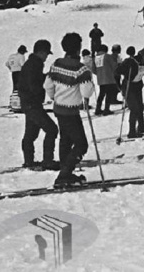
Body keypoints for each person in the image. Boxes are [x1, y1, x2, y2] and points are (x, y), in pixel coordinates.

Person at [44, 33, 96, 187]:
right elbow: (86, 92)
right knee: (81, 144)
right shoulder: (81, 69)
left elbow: (48, 85)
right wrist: (89, 87)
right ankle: (64, 174)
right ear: (79, 48)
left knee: (65, 140)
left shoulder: (56, 64)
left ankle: (66, 172)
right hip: (71, 111)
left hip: (58, 109)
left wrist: (54, 97)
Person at [19, 39, 59, 171]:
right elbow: (33, 85)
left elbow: (34, 80)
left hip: (29, 103)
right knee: (51, 129)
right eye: (46, 54)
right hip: (32, 104)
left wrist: (45, 76)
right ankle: (47, 161)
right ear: (41, 52)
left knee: (31, 134)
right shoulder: (34, 64)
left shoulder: (32, 63)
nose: (47, 57)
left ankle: (29, 161)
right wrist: (45, 83)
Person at [116, 46, 144, 138]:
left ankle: (141, 126)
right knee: (134, 109)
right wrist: (119, 87)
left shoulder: (142, 62)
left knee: (140, 107)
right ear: (143, 55)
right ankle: (132, 132)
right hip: (128, 87)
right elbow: (117, 71)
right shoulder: (130, 62)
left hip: (137, 86)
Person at [95, 44, 120, 115]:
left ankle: (98, 109)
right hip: (109, 78)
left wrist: (99, 73)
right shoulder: (107, 56)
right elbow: (114, 66)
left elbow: (94, 69)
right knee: (109, 94)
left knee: (101, 94)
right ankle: (106, 109)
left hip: (100, 78)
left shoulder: (96, 58)